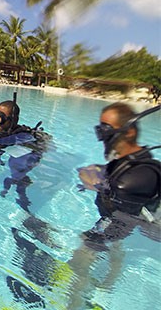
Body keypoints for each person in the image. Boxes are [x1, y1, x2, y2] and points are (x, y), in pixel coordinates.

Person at [67, 103, 160, 309]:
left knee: (79, 261)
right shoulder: (128, 162)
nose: (101, 136)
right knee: (115, 245)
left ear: (129, 132)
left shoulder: (134, 177)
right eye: (99, 129)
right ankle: (106, 285)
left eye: (106, 130)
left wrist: (97, 183)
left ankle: (74, 304)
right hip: (120, 218)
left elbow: (119, 212)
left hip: (122, 219)